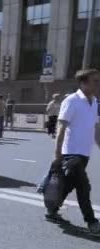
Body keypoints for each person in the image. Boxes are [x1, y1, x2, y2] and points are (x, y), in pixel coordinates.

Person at [46, 69, 100, 234]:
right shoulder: (72, 100)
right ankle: (92, 222)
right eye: (95, 81)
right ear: (83, 83)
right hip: (71, 152)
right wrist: (57, 155)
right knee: (84, 186)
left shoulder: (95, 102)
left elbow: (96, 128)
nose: (98, 84)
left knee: (69, 184)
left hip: (84, 152)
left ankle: (52, 210)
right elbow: (61, 127)